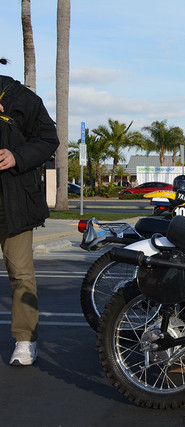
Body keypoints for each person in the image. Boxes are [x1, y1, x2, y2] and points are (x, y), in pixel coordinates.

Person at [0, 60, 60, 365]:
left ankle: (25, 340)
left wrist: (16, 155)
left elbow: (49, 139)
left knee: (21, 274)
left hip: (15, 203)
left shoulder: (21, 97)